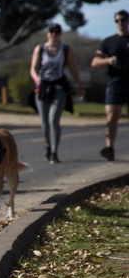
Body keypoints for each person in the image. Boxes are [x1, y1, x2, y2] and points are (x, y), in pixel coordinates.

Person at [29, 23, 84, 164]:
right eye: (51, 32)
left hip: (59, 87)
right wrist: (37, 79)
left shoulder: (65, 50)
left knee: (54, 120)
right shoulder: (40, 49)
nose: (54, 35)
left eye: (57, 32)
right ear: (47, 34)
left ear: (60, 34)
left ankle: (54, 151)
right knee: (45, 122)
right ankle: (48, 145)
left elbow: (73, 68)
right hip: (42, 88)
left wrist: (79, 85)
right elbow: (33, 69)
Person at [91, 9, 129, 161]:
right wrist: (109, 60)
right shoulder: (108, 41)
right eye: (117, 20)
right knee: (111, 117)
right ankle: (109, 148)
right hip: (115, 84)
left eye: (123, 20)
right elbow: (95, 62)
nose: (120, 23)